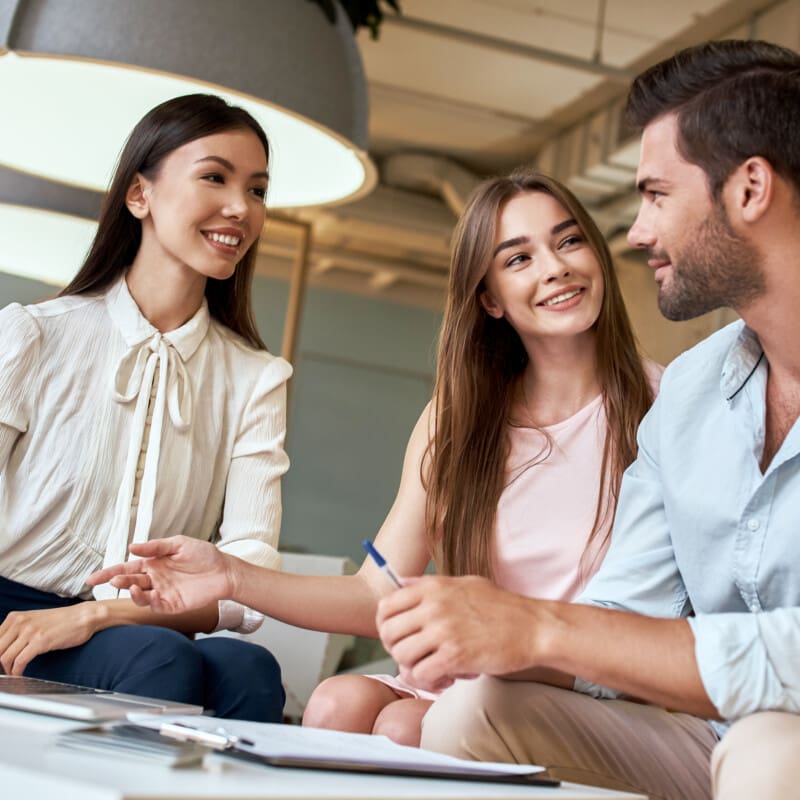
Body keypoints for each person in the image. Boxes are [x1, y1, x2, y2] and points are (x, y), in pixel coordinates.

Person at [366, 38, 800, 800]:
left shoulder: (650, 390)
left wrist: (540, 627)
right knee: (472, 712)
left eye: (657, 195)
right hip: (714, 735)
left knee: (771, 750)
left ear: (750, 188)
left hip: (773, 743)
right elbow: (623, 615)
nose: (634, 231)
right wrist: (483, 629)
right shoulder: (693, 394)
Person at [89, 170, 659, 745]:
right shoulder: (457, 419)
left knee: (406, 725)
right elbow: (378, 591)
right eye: (518, 259)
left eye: (568, 241)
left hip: (571, 681)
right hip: (467, 679)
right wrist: (229, 574)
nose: (555, 267)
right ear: (489, 298)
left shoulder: (662, 405)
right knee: (338, 703)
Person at [0, 94, 292, 721]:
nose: (241, 208)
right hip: (11, 616)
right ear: (140, 195)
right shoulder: (32, 334)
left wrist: (100, 612)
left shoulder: (255, 377)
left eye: (258, 189)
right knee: (159, 661)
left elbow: (252, 580)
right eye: (215, 177)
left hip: (143, 624)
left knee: (249, 667)